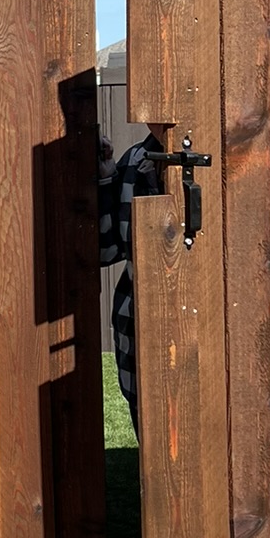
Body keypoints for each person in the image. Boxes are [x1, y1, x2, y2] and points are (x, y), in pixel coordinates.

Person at [97, 123, 169, 435]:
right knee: (149, 428)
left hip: (201, 321)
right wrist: (106, 178)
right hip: (138, 318)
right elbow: (107, 250)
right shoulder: (134, 160)